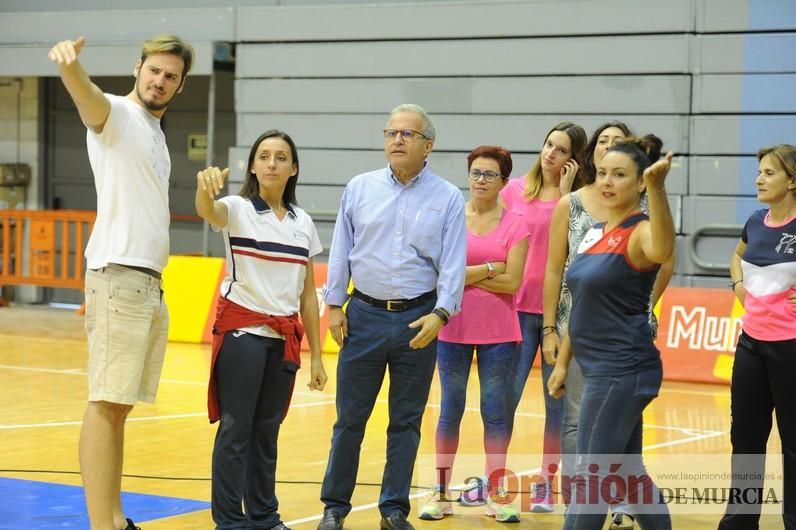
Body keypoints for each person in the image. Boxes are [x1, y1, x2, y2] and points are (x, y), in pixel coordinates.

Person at [49, 34, 194, 530]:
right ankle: (101, 523)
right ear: (138, 68)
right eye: (154, 70)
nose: (160, 80)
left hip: (148, 283)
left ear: (179, 85)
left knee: (118, 407)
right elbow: (88, 98)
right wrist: (71, 68)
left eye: (171, 75)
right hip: (118, 276)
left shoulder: (154, 130)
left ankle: (114, 517)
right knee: (106, 402)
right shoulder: (117, 114)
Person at [317, 104, 466, 530]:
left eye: (407, 133)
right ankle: (334, 508)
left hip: (418, 321)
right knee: (350, 419)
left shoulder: (448, 197)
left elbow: (454, 264)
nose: (397, 140)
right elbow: (341, 250)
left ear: (428, 145)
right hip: (361, 315)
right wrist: (332, 306)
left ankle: (393, 510)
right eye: (391, 132)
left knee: (405, 422)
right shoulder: (359, 188)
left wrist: (441, 314)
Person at [542, 121, 676, 530]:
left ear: (639, 184)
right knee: (628, 473)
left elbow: (664, 248)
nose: (607, 181)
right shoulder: (597, 232)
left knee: (591, 478)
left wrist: (658, 188)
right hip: (596, 366)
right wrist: (564, 361)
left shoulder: (639, 232)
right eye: (603, 173)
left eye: (620, 175)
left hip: (622, 371)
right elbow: (581, 302)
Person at [196, 130, 328, 530]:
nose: (272, 163)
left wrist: (318, 356)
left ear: (294, 168)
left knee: (267, 432)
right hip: (242, 335)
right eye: (264, 156)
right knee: (236, 430)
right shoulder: (235, 208)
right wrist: (204, 190)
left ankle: (264, 516)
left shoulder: (303, 223)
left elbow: (307, 295)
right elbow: (208, 211)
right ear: (253, 165)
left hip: (283, 341)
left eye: (281, 157)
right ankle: (229, 521)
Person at [418, 146, 528, 523]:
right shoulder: (451, 218)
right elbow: (440, 277)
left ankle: (497, 493)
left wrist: (466, 273)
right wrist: (487, 268)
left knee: (495, 414)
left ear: (503, 181)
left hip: (500, 331)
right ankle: (440, 492)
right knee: (449, 411)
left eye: (489, 175)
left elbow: (514, 281)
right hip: (452, 325)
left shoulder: (516, 224)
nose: (480, 180)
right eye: (476, 173)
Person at [500, 121, 587, 512]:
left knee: (556, 408)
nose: (550, 153)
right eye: (548, 144)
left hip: (560, 316)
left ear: (574, 160)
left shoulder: (581, 200)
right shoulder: (515, 190)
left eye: (561, 149)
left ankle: (545, 484)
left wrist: (568, 196)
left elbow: (577, 250)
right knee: (504, 402)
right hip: (515, 311)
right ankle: (493, 481)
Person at [718, 144, 796, 530]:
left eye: (769, 172)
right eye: (759, 172)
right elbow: (737, 255)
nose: (759, 179)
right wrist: (737, 283)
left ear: (792, 180)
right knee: (745, 439)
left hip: (792, 350)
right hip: (751, 344)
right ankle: (739, 521)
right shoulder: (755, 220)